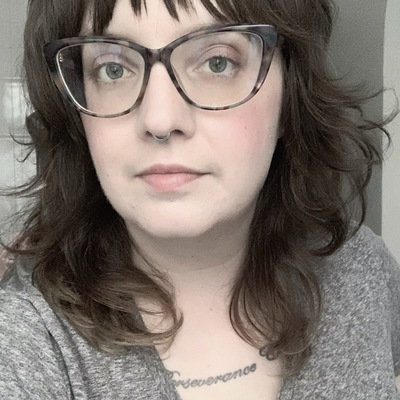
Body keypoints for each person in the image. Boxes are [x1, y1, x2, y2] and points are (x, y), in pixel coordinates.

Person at [0, 0, 399, 398]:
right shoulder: (23, 338)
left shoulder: (362, 271)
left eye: (217, 63)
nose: (160, 120)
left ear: (288, 95)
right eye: (113, 69)